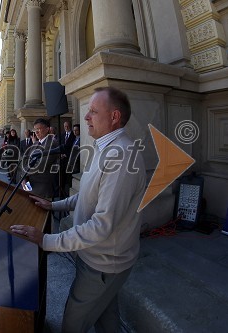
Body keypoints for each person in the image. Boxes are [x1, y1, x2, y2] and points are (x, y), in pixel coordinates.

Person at [11, 87, 146, 333]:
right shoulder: (104, 147)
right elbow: (88, 196)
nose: (85, 117)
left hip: (103, 264)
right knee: (107, 318)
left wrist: (47, 240)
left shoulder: (121, 155)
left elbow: (101, 224)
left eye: (93, 111)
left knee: (73, 323)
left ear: (114, 117)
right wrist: (54, 205)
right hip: (96, 258)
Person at [21, 118, 59, 198]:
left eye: (39, 129)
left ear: (47, 129)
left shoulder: (52, 143)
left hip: (42, 188)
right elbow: (26, 160)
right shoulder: (36, 143)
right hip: (30, 185)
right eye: (35, 129)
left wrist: (24, 173)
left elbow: (41, 165)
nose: (36, 132)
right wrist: (24, 178)